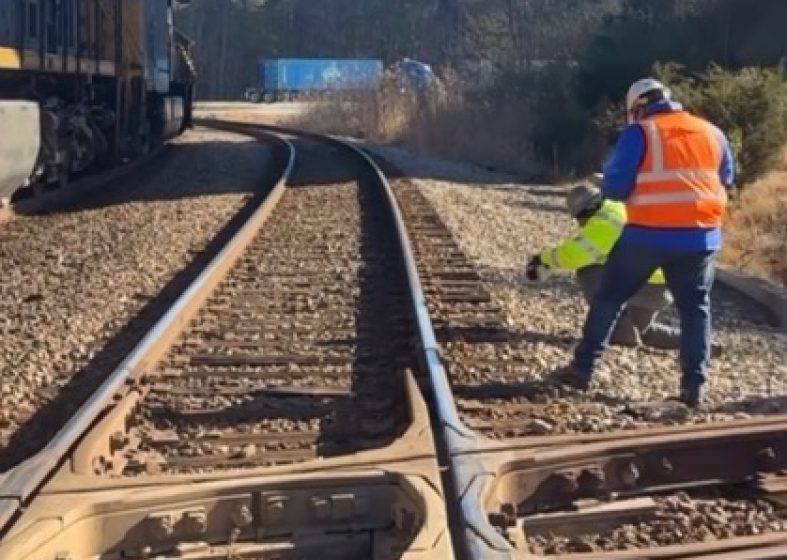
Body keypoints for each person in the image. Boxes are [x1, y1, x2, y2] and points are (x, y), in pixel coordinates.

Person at [552, 78, 735, 408]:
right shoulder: (712, 132)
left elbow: (617, 189)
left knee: (608, 298)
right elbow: (727, 179)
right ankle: (693, 388)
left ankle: (582, 369)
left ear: (638, 108)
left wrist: (609, 183)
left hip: (647, 234)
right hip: (699, 238)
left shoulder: (640, 133)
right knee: (695, 310)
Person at [527, 185, 680, 349]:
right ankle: (696, 340)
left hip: (647, 287)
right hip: (661, 286)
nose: (580, 224)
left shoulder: (604, 224)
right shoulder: (617, 207)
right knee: (644, 330)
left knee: (589, 272)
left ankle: (621, 334)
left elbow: (574, 255)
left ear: (586, 211)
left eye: (579, 219)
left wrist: (543, 259)